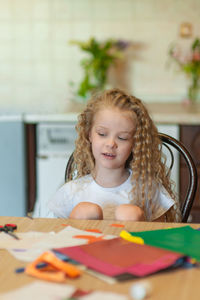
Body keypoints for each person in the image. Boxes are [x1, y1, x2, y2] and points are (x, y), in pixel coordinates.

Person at [48, 88, 181, 222]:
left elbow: (160, 237)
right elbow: (59, 239)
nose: (111, 144)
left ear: (136, 144)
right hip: (84, 242)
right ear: (89, 135)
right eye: (102, 134)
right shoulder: (72, 192)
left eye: (122, 138)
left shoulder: (147, 190)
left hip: (134, 243)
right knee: (85, 212)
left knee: (129, 214)